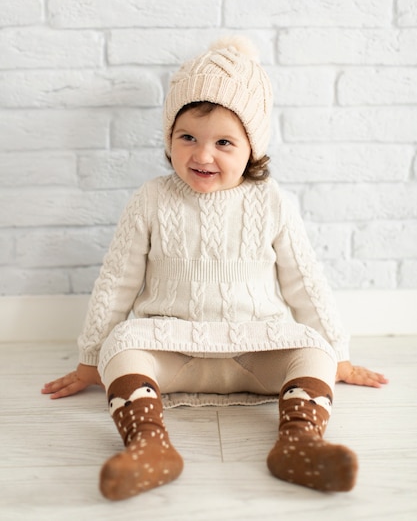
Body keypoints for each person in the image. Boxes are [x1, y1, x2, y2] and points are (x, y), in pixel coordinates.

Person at [42, 36, 388, 500]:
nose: (202, 155)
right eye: (188, 137)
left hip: (256, 348)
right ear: (169, 138)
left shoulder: (270, 202)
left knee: (314, 352)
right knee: (122, 346)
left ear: (252, 147)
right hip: (171, 348)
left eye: (223, 142)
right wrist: (90, 357)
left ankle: (299, 441)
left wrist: (338, 352)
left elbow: (304, 280)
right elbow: (117, 280)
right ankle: (149, 445)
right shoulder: (151, 198)